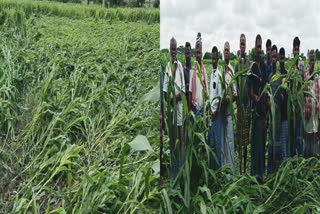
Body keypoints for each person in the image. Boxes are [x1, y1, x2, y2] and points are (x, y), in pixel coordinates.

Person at [163, 37, 185, 178]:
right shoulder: (167, 67)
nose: (173, 51)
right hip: (171, 109)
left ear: (177, 50)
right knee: (172, 138)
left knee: (181, 137)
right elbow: (165, 90)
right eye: (171, 48)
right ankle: (173, 171)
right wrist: (169, 100)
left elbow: (182, 90)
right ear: (169, 49)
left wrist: (174, 99)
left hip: (179, 108)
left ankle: (181, 168)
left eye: (175, 48)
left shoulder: (181, 67)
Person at [250, 34, 268, 183]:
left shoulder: (265, 66)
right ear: (255, 46)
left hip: (263, 112)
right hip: (254, 112)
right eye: (258, 46)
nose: (259, 49)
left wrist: (267, 115)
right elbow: (249, 87)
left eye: (260, 46)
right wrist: (253, 95)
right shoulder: (253, 66)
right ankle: (253, 175)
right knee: (255, 144)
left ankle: (261, 175)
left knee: (262, 144)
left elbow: (267, 88)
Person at [235, 33, 251, 174]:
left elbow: (250, 84)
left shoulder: (248, 63)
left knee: (246, 141)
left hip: (248, 106)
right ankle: (240, 169)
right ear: (239, 45)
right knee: (240, 141)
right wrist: (238, 108)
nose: (242, 46)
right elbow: (235, 86)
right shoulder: (237, 64)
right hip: (240, 107)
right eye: (241, 43)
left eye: (244, 44)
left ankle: (245, 169)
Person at [221, 41, 237, 176]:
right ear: (223, 52)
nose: (227, 52)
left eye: (228, 50)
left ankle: (230, 175)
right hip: (220, 113)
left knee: (230, 144)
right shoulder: (220, 69)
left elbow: (235, 93)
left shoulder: (231, 70)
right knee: (222, 146)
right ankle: (222, 174)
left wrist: (229, 98)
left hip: (229, 113)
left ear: (230, 53)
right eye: (225, 50)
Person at [267, 45, 282, 174]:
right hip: (270, 115)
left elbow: (282, 95)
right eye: (272, 56)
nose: (273, 58)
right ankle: (270, 172)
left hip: (277, 115)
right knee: (270, 142)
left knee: (277, 143)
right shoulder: (268, 74)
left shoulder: (279, 76)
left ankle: (277, 172)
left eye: (275, 56)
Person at [208, 46, 223, 169]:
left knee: (217, 146)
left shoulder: (219, 75)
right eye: (212, 59)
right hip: (210, 116)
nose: (213, 61)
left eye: (214, 59)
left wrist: (216, 113)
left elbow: (221, 98)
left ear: (218, 59)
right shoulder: (211, 75)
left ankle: (218, 173)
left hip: (216, 117)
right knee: (211, 145)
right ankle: (212, 171)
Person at [291, 36, 305, 157]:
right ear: (292, 50)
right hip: (292, 108)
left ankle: (299, 159)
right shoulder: (290, 68)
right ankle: (292, 159)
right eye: (294, 49)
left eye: (297, 49)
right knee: (292, 135)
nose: (296, 52)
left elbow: (304, 86)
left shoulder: (301, 66)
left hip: (299, 107)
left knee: (299, 136)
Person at [304, 50, 319, 158]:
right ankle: (306, 167)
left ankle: (313, 168)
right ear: (308, 61)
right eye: (311, 60)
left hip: (315, 118)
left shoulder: (318, 78)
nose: (312, 62)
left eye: (313, 60)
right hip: (308, 118)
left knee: (314, 146)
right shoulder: (306, 77)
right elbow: (303, 96)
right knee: (307, 145)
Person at [189, 34, 208, 120]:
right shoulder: (192, 71)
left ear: (202, 53)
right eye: (196, 52)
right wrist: (189, 109)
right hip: (194, 108)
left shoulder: (204, 71)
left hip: (203, 109)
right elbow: (190, 92)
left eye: (199, 52)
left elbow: (206, 92)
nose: (198, 55)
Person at [279, 48, 289, 160]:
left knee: (285, 145)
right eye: (280, 58)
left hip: (286, 115)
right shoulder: (276, 75)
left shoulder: (287, 75)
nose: (282, 61)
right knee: (278, 145)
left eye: (283, 58)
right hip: (278, 115)